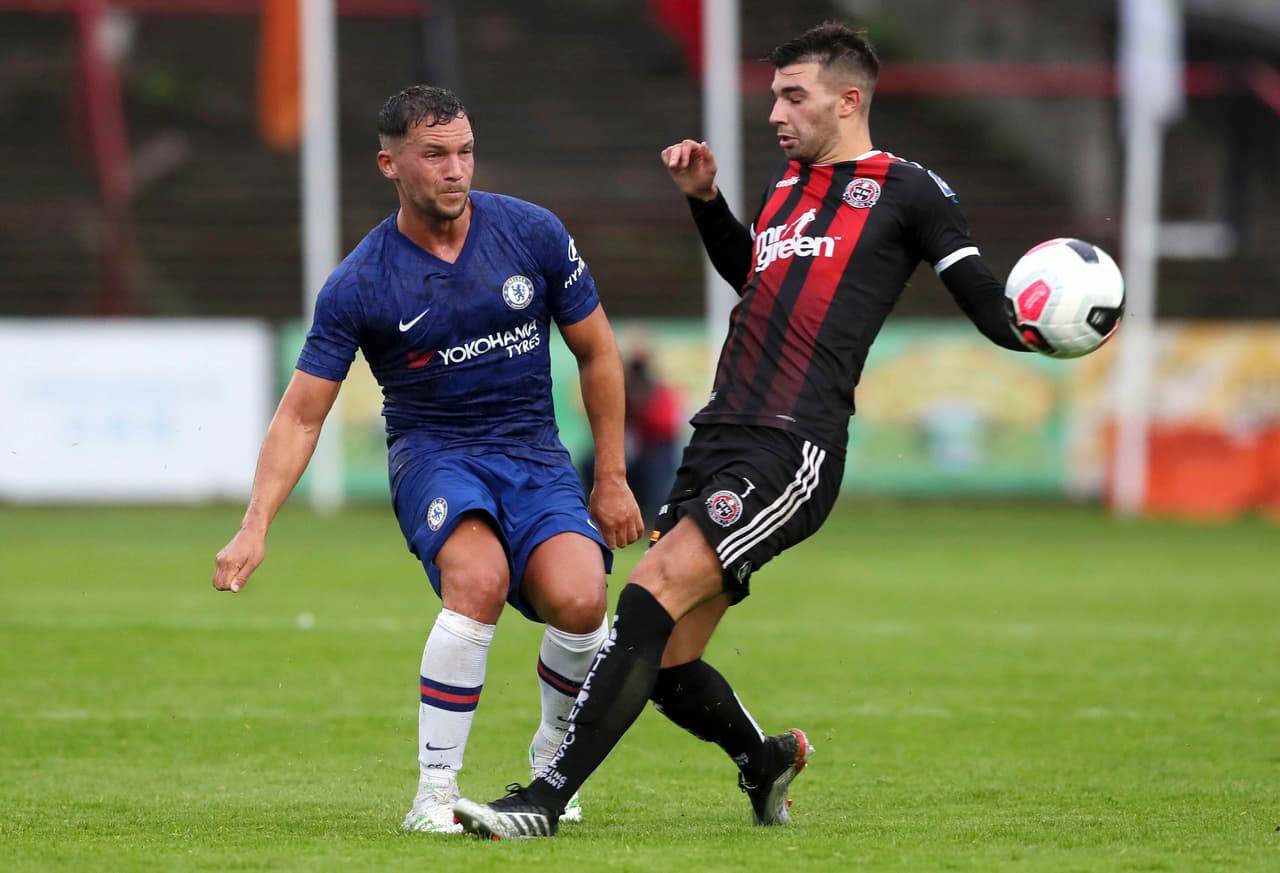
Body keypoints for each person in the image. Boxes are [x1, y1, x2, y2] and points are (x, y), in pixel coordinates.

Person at [452, 22, 1031, 839]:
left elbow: (984, 298)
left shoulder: (908, 190)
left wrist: (1047, 326)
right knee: (667, 660)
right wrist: (707, 204)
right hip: (721, 434)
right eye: (774, 97)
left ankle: (542, 800)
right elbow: (756, 277)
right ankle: (765, 759)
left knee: (645, 600)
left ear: (850, 98)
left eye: (793, 96)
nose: (775, 113)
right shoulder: (787, 186)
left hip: (792, 445)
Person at [211, 85, 644, 834]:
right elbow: (303, 413)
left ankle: (551, 763)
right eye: (435, 154)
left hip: (534, 454)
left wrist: (609, 475)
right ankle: (433, 793)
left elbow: (598, 352)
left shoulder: (532, 233)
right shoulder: (362, 281)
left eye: (465, 151)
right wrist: (255, 524)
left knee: (580, 600)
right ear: (391, 164)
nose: (455, 169)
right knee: (479, 578)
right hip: (436, 454)